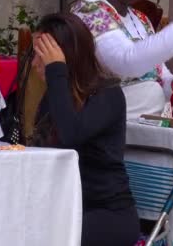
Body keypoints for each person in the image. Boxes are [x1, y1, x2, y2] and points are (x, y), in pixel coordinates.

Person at [31, 13, 139, 246]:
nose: (34, 64)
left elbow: (70, 135)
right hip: (64, 208)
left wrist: (56, 72)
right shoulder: (57, 95)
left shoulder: (107, 94)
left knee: (41, 235)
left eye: (41, 56)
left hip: (106, 214)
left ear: (65, 56)